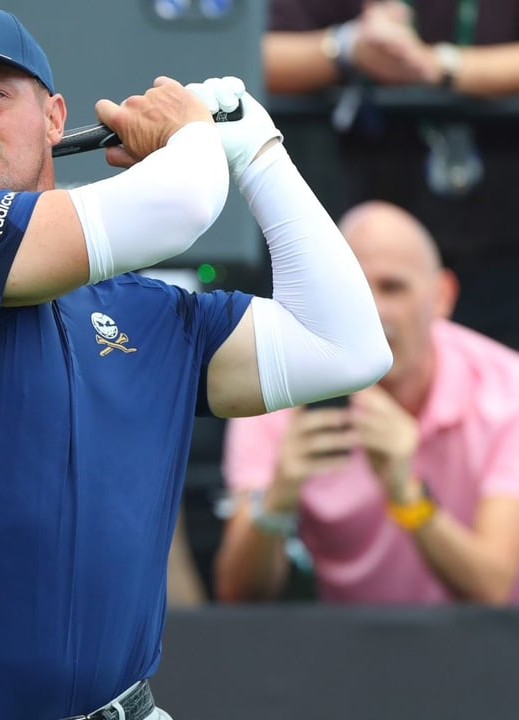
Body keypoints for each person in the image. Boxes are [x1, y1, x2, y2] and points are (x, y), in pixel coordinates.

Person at [0, 5, 392, 719]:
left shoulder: (147, 311)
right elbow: (181, 204)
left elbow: (346, 346)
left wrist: (258, 152)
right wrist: (195, 132)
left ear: (55, 119)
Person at [214, 200, 519, 605]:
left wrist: (407, 493)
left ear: (442, 296)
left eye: (392, 287)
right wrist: (276, 501)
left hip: (480, 642)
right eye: (353, 287)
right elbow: (237, 593)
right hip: (342, 640)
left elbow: (496, 591)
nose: (371, 309)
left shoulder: (506, 388)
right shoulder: (278, 389)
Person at [264, 0, 519, 349]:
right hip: (361, 231)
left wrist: (441, 65)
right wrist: (348, 46)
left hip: (501, 241)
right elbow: (250, 57)